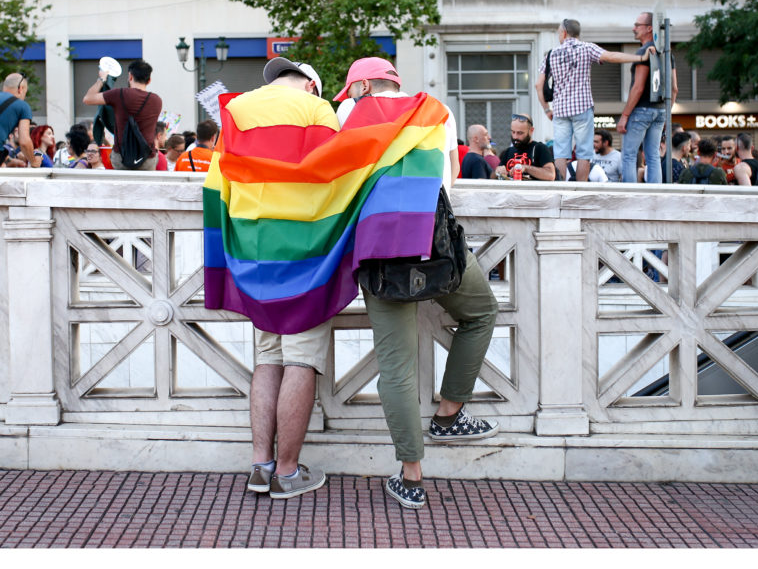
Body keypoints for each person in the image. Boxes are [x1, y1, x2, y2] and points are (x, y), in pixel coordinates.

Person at [334, 57, 499, 510]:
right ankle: (449, 412)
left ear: (363, 85)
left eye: (351, 89)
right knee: (482, 313)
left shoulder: (347, 114)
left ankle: (412, 475)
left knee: (396, 365)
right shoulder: (437, 110)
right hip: (434, 243)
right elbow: (453, 178)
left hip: (377, 247)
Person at [219, 57, 335, 500]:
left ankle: (260, 465)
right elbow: (334, 177)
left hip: (253, 249)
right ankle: (287, 473)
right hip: (303, 249)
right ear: (310, 86)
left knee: (268, 357)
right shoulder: (317, 110)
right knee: (301, 357)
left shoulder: (238, 109)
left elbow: (222, 182)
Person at [538, 18, 653, 182]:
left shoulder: (551, 54)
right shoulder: (587, 48)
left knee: (560, 153)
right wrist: (640, 58)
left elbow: (538, 84)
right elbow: (611, 56)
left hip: (561, 110)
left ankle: (560, 187)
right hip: (582, 108)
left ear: (564, 33)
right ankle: (580, 189)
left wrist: (547, 109)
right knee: (584, 152)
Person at [618, 12, 678, 183]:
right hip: (659, 111)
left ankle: (630, 194)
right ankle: (655, 194)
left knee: (629, 155)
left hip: (641, 110)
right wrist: (667, 112)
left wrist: (625, 115)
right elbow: (674, 88)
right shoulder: (667, 53)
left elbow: (638, 88)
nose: (634, 28)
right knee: (653, 156)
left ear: (649, 28)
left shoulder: (644, 52)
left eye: (637, 25)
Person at [82, 59, 162, 170]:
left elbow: (88, 99)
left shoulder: (119, 94)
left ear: (130, 76)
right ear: (149, 80)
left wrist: (102, 79)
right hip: (147, 158)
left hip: (121, 157)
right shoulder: (156, 100)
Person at [496, 115, 556, 181]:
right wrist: (498, 171)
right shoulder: (509, 151)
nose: (515, 137)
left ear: (531, 131)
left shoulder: (539, 148)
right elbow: (492, 176)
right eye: (513, 132)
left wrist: (526, 168)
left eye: (520, 133)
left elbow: (551, 175)